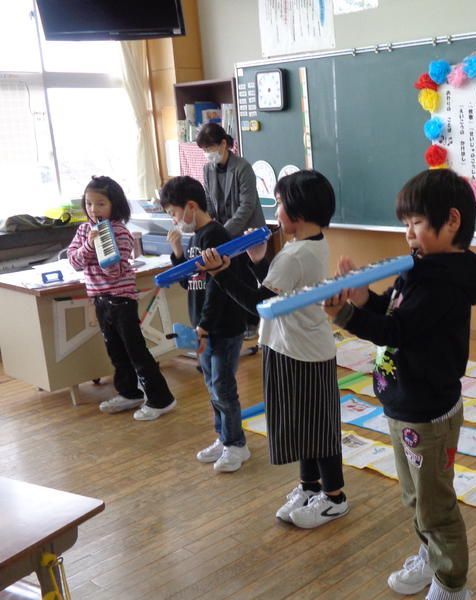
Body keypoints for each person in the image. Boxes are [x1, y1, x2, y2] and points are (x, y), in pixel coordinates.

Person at [323, 168, 476, 600]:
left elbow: (398, 331)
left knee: (436, 506)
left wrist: (345, 316)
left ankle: (452, 585)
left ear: (451, 221)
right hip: (403, 403)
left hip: (429, 414)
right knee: (416, 499)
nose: (408, 233)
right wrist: (363, 298)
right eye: (405, 224)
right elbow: (393, 312)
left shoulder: (445, 284)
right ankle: (431, 556)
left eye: (416, 223)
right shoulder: (419, 270)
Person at [197, 169, 348, 528]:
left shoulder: (296, 255)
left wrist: (221, 274)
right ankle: (309, 488)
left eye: (279, 203)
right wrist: (258, 259)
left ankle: (335, 498)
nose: (276, 211)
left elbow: (260, 304)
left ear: (298, 211)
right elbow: (276, 290)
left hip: (302, 351)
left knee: (317, 429)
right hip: (289, 347)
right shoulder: (305, 247)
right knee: (303, 426)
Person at [160, 175, 251, 473]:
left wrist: (205, 326)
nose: (174, 220)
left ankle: (236, 445)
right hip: (204, 326)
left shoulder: (215, 236)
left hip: (222, 326)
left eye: (174, 213)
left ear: (191, 206)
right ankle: (223, 437)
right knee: (212, 386)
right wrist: (177, 253)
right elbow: (189, 283)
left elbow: (217, 289)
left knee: (223, 388)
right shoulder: (195, 238)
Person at [67, 176, 176, 419]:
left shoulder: (119, 232)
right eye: (89, 203)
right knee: (116, 352)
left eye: (101, 204)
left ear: (114, 205)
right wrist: (89, 245)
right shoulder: (84, 230)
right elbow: (74, 261)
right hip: (100, 299)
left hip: (121, 300)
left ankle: (161, 399)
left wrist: (102, 244)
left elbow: (113, 272)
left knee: (136, 351)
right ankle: (129, 393)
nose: (93, 209)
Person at [196, 122, 266, 339]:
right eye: (204, 150)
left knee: (245, 276)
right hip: (223, 232)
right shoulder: (207, 169)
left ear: (223, 144)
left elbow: (247, 206)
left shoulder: (243, 167)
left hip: (246, 232)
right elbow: (208, 201)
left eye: (210, 148)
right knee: (228, 277)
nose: (207, 153)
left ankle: (252, 323)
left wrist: (224, 234)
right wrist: (212, 227)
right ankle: (236, 322)